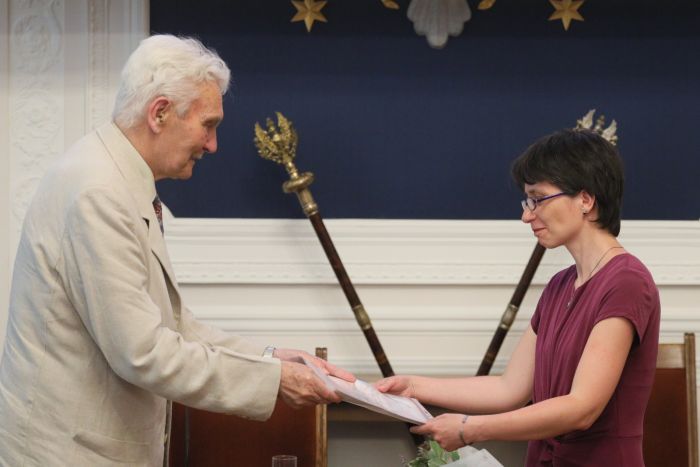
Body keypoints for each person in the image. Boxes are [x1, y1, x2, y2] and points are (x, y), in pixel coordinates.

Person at [0, 34, 353, 466]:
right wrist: (275, 381)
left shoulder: (116, 175)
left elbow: (172, 324)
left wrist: (270, 357)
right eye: (209, 125)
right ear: (160, 113)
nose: (212, 146)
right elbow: (143, 352)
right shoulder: (99, 192)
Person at [376, 129, 660, 466]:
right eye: (528, 201)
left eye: (538, 199)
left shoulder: (626, 281)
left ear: (585, 199)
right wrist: (412, 386)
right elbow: (510, 388)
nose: (527, 215)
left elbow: (582, 407)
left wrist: (471, 429)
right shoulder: (559, 286)